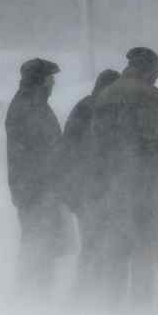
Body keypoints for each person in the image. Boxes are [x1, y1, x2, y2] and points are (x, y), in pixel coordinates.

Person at [91, 47, 158, 306]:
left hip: (113, 181)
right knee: (144, 244)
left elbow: (97, 141)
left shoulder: (106, 94)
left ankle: (112, 302)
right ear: (146, 69)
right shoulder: (148, 95)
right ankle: (141, 303)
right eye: (156, 71)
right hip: (141, 181)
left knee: (117, 244)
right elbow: (155, 139)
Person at [57, 69, 120, 293]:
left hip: (83, 191)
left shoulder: (82, 107)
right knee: (97, 245)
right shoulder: (101, 111)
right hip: (94, 191)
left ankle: (85, 292)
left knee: (92, 244)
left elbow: (67, 152)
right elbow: (101, 155)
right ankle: (88, 293)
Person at [5, 58, 64, 293]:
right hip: (36, 189)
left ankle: (34, 295)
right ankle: (32, 297)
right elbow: (42, 150)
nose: (53, 83)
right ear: (41, 80)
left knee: (39, 244)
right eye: (51, 78)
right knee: (38, 244)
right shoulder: (30, 107)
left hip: (34, 188)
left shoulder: (32, 103)